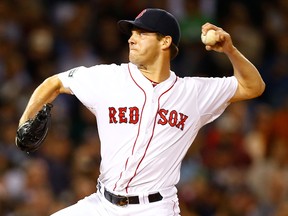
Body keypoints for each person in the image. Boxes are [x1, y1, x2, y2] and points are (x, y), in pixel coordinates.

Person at [18, 8, 265, 216]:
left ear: (165, 41)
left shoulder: (193, 93)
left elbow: (253, 86)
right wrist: (24, 121)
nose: (131, 39)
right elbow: (55, 82)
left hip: (154, 208)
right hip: (102, 204)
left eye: (141, 33)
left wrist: (230, 51)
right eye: (131, 33)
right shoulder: (109, 78)